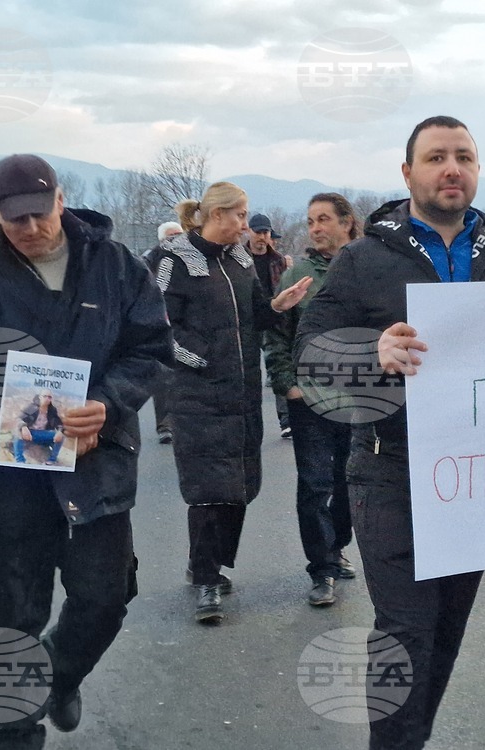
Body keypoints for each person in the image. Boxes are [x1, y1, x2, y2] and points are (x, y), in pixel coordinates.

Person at [296, 116, 485, 750]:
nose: (451, 168)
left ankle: (410, 740)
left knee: (447, 629)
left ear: (477, 171)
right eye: (435, 158)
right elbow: (310, 350)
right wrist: (371, 349)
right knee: (403, 630)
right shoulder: (363, 259)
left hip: (478, 478)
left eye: (463, 157)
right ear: (408, 174)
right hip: (390, 467)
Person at [0, 154, 172, 750]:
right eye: (15, 218)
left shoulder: (115, 264)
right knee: (13, 615)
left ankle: (61, 672)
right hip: (14, 469)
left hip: (99, 455)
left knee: (105, 599)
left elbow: (150, 346)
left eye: (40, 213)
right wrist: (28, 407)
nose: (30, 227)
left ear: (61, 200)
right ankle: (14, 734)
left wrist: (108, 402)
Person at [155, 182, 311, 624]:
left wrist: (278, 305)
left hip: (242, 395)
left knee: (239, 487)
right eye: (240, 215)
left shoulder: (241, 260)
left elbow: (254, 316)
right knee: (209, 490)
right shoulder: (173, 258)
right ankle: (205, 579)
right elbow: (161, 327)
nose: (246, 225)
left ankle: (213, 565)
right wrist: (202, 360)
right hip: (198, 397)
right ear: (216, 215)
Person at [265, 193, 359, 607]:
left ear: (346, 223)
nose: (315, 228)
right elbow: (277, 334)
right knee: (316, 485)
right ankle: (321, 569)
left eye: (323, 220)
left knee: (350, 483)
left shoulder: (364, 269)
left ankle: (336, 547)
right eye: (310, 221)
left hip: (358, 401)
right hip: (311, 401)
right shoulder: (297, 276)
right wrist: (287, 384)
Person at [246, 212, 292, 437]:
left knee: (278, 366)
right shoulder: (238, 258)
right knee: (249, 369)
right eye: (258, 232)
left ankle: (285, 421)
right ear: (249, 232)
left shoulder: (279, 261)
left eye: (265, 232)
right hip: (248, 320)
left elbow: (286, 287)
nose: (262, 237)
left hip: (275, 317)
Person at [142, 220, 184, 444]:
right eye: (171, 237)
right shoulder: (150, 261)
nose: (176, 240)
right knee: (163, 376)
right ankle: (165, 424)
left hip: (186, 324)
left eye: (179, 235)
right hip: (161, 324)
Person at [13, 390, 65, 466]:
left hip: (44, 434)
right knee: (18, 434)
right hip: (30, 434)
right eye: (45, 396)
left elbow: (59, 424)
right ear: (40, 397)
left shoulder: (52, 410)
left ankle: (52, 459)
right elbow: (19, 419)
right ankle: (20, 461)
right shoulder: (32, 407)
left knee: (61, 436)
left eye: (49, 397)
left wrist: (60, 431)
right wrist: (23, 427)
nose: (47, 399)